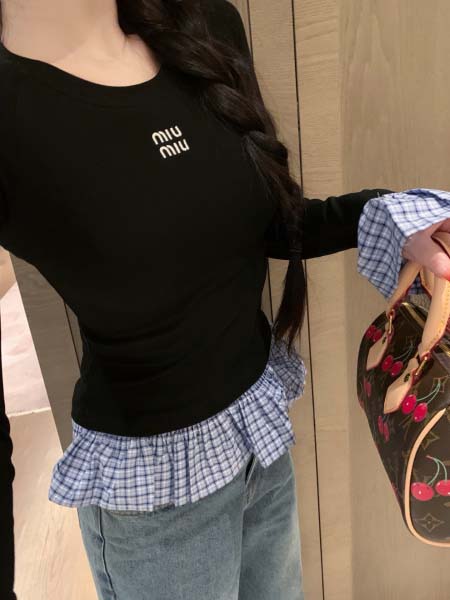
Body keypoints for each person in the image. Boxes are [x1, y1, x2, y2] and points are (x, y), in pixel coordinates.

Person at [1, 1, 450, 599]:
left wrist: (396, 220)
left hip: (259, 438)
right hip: (154, 495)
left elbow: (267, 222)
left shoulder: (204, 25)